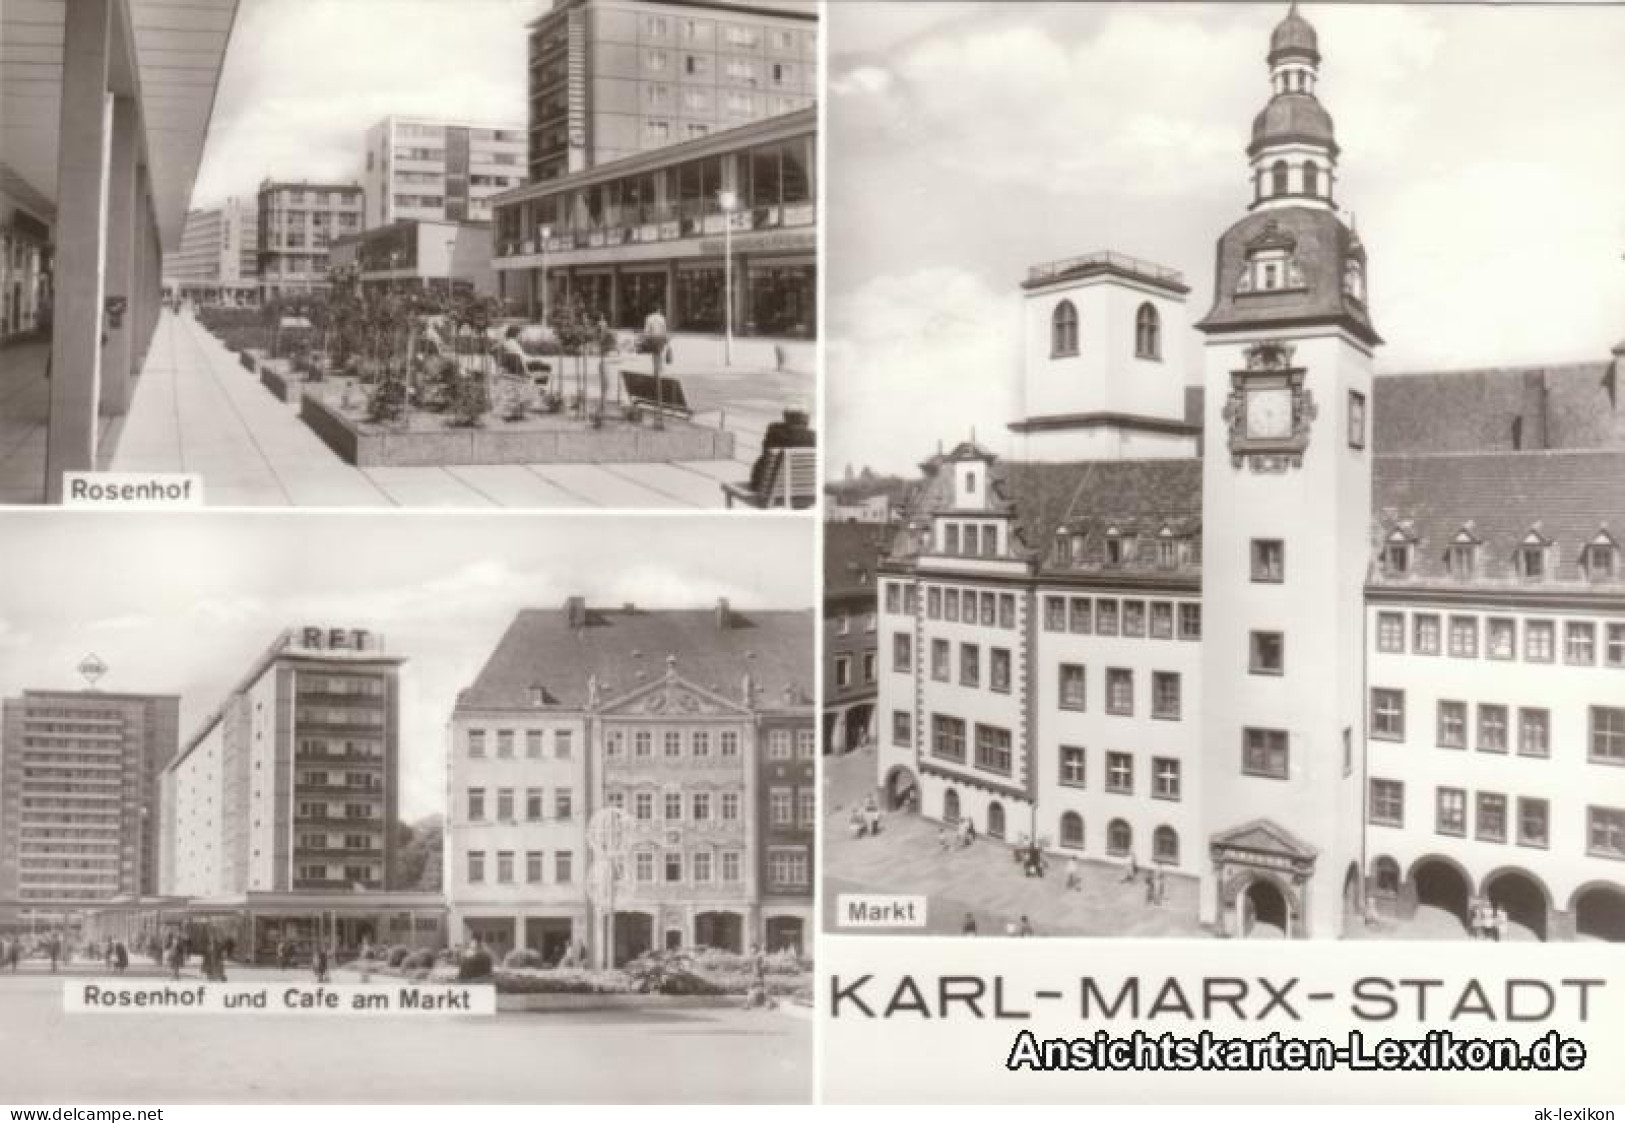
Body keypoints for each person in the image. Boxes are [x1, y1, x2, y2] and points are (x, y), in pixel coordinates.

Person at [747, 408, 817, 499]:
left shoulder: (774, 433)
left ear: (786, 417)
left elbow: (765, 454)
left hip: (769, 493)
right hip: (805, 494)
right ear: (806, 419)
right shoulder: (814, 437)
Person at [643, 305, 669, 426]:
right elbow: (664, 330)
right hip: (660, 340)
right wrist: (665, 340)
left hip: (652, 339)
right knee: (659, 356)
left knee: (654, 357)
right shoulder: (662, 318)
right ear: (659, 310)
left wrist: (646, 340)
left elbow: (646, 331)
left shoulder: (649, 317)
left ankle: (656, 372)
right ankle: (659, 371)